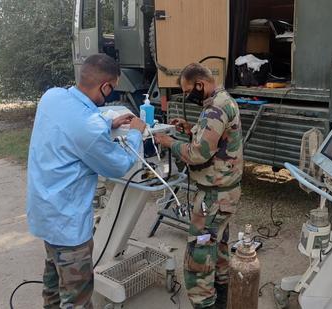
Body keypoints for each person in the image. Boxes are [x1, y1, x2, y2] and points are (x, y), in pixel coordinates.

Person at [26, 54, 146, 308]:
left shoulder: (52, 97)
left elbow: (74, 122)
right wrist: (136, 133)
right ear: (106, 86)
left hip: (45, 215)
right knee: (77, 299)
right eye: (112, 88)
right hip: (68, 227)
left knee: (53, 287)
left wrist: (107, 121)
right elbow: (118, 165)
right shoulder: (87, 127)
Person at [154, 63, 244, 309]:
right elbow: (215, 140)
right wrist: (190, 128)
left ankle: (205, 302)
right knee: (219, 246)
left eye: (187, 91)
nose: (186, 96)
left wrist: (168, 141)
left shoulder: (215, 108)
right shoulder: (222, 101)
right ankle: (222, 297)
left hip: (214, 197)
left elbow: (198, 154)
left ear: (199, 84)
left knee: (200, 253)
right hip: (225, 193)